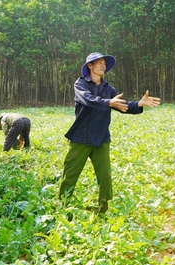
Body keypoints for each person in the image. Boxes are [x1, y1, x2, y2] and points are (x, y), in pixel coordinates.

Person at [58, 52, 161, 214]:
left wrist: (138, 104)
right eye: (99, 62)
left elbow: (122, 105)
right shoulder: (81, 84)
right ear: (90, 66)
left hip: (101, 138)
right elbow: (88, 99)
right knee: (70, 175)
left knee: (105, 176)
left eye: (104, 63)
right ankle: (62, 207)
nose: (103, 65)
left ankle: (102, 209)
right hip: (80, 137)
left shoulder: (108, 88)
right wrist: (109, 102)